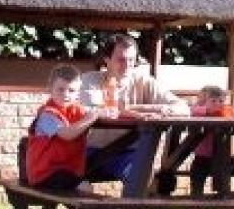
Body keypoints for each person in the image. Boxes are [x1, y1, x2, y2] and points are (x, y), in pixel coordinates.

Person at [80, 34, 189, 185]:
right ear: (106, 59)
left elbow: (183, 108)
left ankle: (141, 201)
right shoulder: (90, 80)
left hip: (129, 153)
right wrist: (140, 113)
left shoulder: (144, 81)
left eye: (131, 60)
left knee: (148, 179)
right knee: (76, 183)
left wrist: (140, 108)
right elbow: (99, 110)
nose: (127, 65)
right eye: (121, 59)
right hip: (92, 152)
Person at [26, 64, 99, 209]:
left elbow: (94, 113)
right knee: (86, 191)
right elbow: (67, 134)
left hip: (65, 171)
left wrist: (103, 112)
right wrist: (91, 118)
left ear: (78, 92)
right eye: (60, 89)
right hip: (45, 174)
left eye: (71, 90)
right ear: (50, 89)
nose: (66, 94)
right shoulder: (48, 114)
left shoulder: (76, 110)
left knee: (86, 195)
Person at [182, 85, 234, 209]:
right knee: (195, 192)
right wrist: (208, 110)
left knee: (225, 192)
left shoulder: (225, 112)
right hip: (201, 158)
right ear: (204, 101)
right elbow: (192, 111)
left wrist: (229, 112)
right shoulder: (197, 111)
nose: (218, 104)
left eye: (221, 101)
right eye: (213, 101)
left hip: (220, 159)